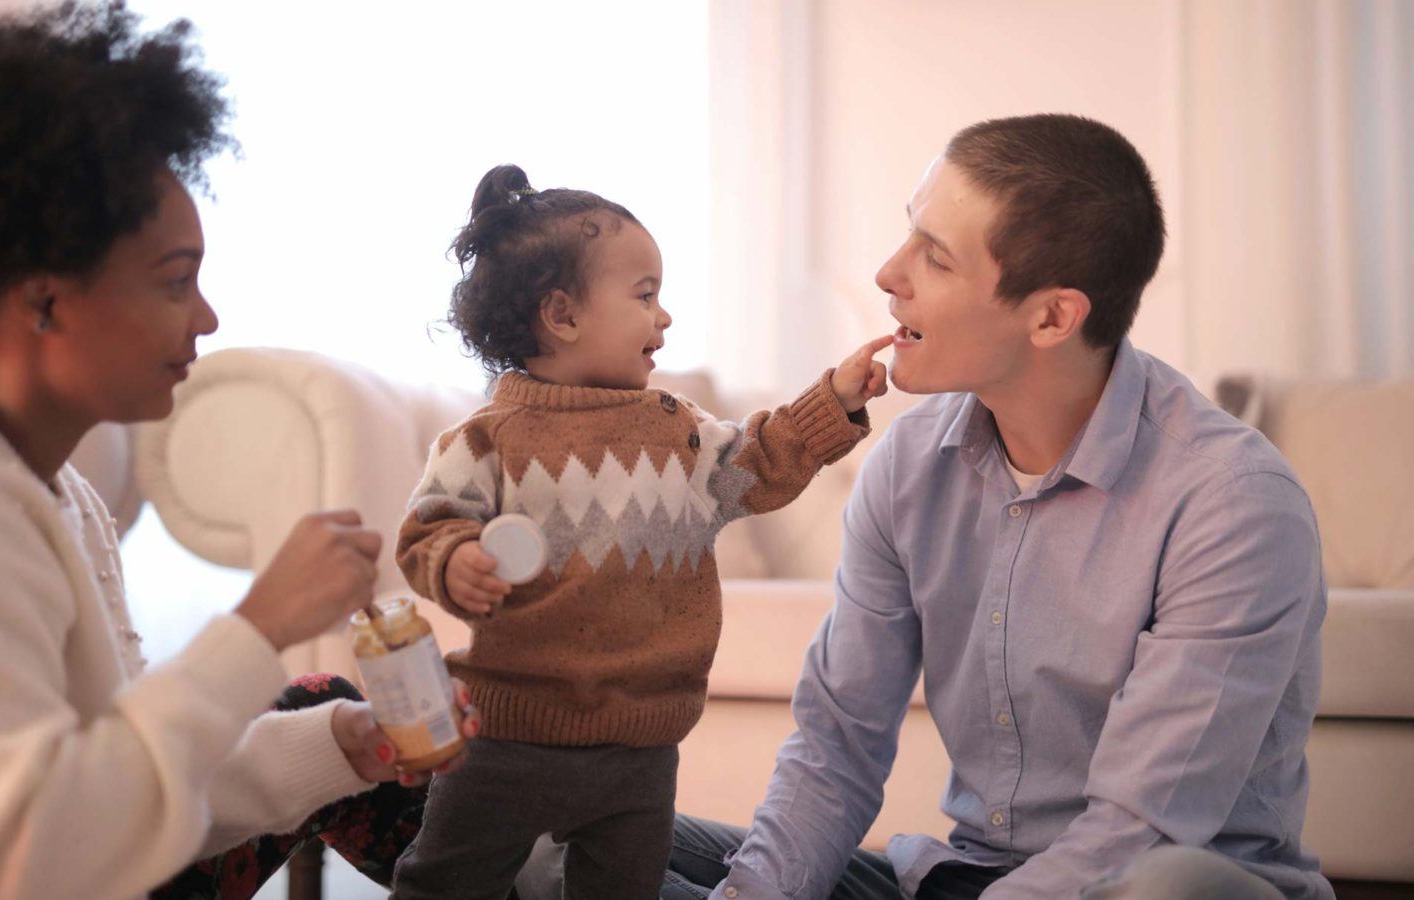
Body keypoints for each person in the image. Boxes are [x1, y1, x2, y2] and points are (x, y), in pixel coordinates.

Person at [523, 114, 1333, 899]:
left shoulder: (1233, 505)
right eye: (910, 232)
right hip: (961, 879)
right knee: (552, 852)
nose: (888, 274)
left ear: (1053, 316)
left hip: (1148, 879)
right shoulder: (909, 466)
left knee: (1163, 889)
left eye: (935, 259)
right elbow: (838, 746)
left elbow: (1137, 831)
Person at [0, 4, 478, 898]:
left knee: (327, 708)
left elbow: (128, 777)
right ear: (45, 301)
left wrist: (339, 747)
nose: (206, 318)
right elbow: (31, 858)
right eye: (176, 282)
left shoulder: (57, 496)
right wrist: (256, 629)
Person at [388, 164, 891, 900]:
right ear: (562, 315)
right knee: (444, 883)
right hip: (508, 738)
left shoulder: (676, 431)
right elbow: (429, 527)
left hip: (642, 747)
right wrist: (455, 559)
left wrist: (833, 399)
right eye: (646, 296)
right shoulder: (487, 440)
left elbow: (762, 461)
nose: (665, 317)